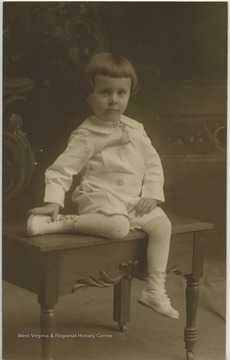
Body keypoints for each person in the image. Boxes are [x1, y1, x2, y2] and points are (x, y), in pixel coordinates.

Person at [27, 52, 179, 320]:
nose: (114, 99)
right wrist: (54, 200)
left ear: (130, 93)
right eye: (105, 92)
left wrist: (152, 195)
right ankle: (60, 222)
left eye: (122, 92)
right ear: (89, 95)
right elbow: (63, 169)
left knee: (162, 224)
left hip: (130, 199)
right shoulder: (86, 134)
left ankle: (155, 289)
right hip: (99, 197)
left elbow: (153, 164)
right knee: (118, 227)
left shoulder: (135, 129)